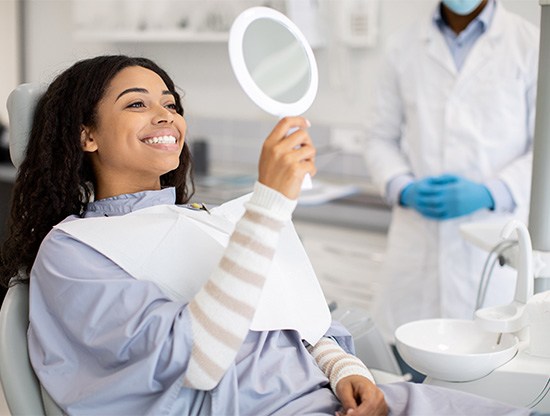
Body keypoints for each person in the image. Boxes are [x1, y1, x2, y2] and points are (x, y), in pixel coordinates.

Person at [0, 55, 537, 416]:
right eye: (137, 102)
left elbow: (298, 320)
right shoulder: (72, 252)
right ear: (86, 135)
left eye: (170, 102)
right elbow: (196, 358)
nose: (165, 114)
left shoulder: (199, 219)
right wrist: (270, 203)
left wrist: (346, 369)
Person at [363, 0, 539, 350]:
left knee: (493, 376)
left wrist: (494, 192)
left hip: (496, 246)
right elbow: (378, 137)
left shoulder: (530, 44)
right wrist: (402, 186)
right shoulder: (402, 46)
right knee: (409, 382)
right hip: (416, 251)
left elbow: (545, 149)